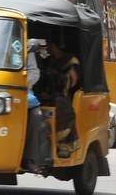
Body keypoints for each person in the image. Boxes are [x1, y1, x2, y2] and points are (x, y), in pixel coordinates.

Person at [44, 37, 81, 158]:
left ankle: (64, 145)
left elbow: (73, 81)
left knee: (62, 108)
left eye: (49, 45)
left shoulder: (70, 60)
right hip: (51, 92)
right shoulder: (50, 60)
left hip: (65, 94)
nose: (47, 47)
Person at [22, 39, 52, 172]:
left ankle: (29, 159)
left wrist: (19, 81)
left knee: (37, 115)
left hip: (22, 91)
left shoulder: (24, 46)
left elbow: (34, 73)